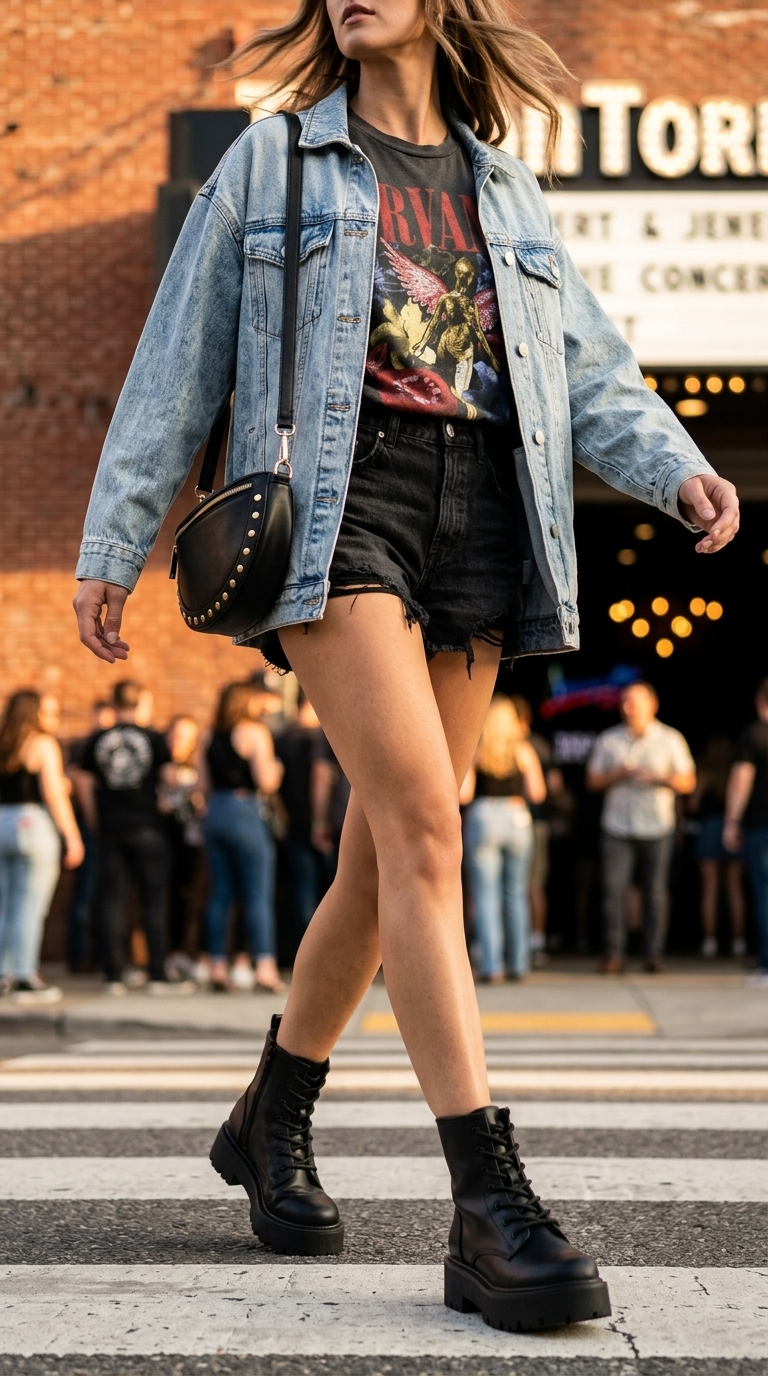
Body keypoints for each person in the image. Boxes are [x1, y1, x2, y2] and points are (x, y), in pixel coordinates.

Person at [72, 0, 740, 1333]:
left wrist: (675, 466)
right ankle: (489, 1204)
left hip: (485, 511)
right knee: (431, 826)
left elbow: (584, 363)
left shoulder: (504, 185)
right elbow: (177, 353)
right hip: (338, 505)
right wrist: (115, 530)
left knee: (385, 861)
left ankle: (272, 1116)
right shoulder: (274, 162)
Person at [76, 679, 187, 995]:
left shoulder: (98, 739)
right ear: (140, 703)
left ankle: (114, 974)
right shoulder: (152, 738)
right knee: (153, 900)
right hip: (147, 828)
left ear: (113, 703)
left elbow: (83, 782)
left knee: (112, 900)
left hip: (111, 828)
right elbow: (171, 780)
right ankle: (156, 973)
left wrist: (95, 818)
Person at [587, 683, 696, 974]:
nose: (628, 707)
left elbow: (688, 782)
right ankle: (613, 954)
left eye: (634, 701)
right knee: (613, 892)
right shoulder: (609, 740)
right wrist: (616, 774)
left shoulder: (670, 739)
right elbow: (592, 781)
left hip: (657, 826)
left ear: (652, 705)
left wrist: (657, 778)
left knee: (656, 893)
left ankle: (653, 954)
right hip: (617, 826)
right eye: (624, 701)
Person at [199, 682, 284, 993]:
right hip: (245, 810)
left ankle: (217, 966)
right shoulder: (254, 733)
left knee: (220, 893)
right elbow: (265, 781)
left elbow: (201, 783)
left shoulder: (208, 735)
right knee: (257, 894)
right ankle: (264, 966)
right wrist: (277, 770)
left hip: (215, 812)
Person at [0, 690, 84, 1002]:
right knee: (30, 906)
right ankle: (25, 976)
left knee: (6, 904)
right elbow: (52, 794)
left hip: (2, 820)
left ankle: (4, 973)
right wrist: (72, 837)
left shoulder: (5, 740)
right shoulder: (42, 743)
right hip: (31, 823)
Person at [463, 695, 546, 981]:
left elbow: (464, 794)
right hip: (516, 816)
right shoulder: (523, 751)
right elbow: (538, 793)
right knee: (516, 893)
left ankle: (491, 966)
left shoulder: (477, 749)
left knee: (486, 896)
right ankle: (519, 964)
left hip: (484, 815)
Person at [275, 690, 336, 934]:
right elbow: (321, 778)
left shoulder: (280, 738)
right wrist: (320, 820)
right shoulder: (321, 737)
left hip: (293, 821)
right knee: (333, 887)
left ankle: (305, 945)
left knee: (304, 887)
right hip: (323, 822)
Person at [66, 698, 116, 971]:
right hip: (92, 828)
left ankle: (97, 956)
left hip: (105, 829)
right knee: (87, 894)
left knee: (102, 895)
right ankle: (80, 956)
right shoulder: (83, 747)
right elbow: (80, 786)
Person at [724, 679, 768, 984]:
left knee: (764, 894)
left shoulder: (754, 734)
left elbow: (742, 779)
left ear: (759, 701)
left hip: (761, 826)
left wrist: (731, 820)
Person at [157, 715, 205, 982]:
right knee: (166, 897)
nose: (178, 742)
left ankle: (183, 953)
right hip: (165, 842)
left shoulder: (198, 769)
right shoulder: (159, 767)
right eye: (174, 736)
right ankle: (166, 956)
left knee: (188, 898)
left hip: (191, 842)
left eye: (185, 737)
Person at [689, 737, 745, 960]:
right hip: (735, 828)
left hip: (711, 829)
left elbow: (693, 804)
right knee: (734, 888)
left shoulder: (706, 774)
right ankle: (738, 941)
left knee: (710, 889)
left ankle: (709, 940)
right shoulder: (735, 773)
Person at [512, 695, 552, 967]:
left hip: (513, 820)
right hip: (531, 821)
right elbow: (544, 791)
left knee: (494, 890)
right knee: (529, 886)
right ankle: (534, 945)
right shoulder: (534, 746)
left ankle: (486, 947)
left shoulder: (485, 742)